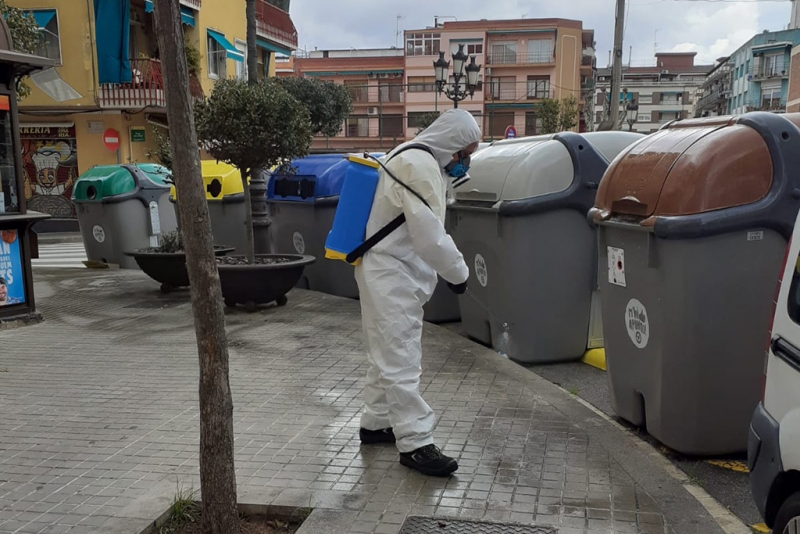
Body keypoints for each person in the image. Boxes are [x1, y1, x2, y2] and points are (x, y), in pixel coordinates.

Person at [355, 109, 481, 477]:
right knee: (401, 357)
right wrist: (458, 272)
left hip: (385, 271)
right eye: (464, 154)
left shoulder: (410, 156)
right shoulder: (420, 167)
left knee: (385, 351)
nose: (465, 162)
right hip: (392, 275)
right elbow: (429, 236)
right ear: (451, 146)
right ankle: (415, 443)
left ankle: (376, 423)